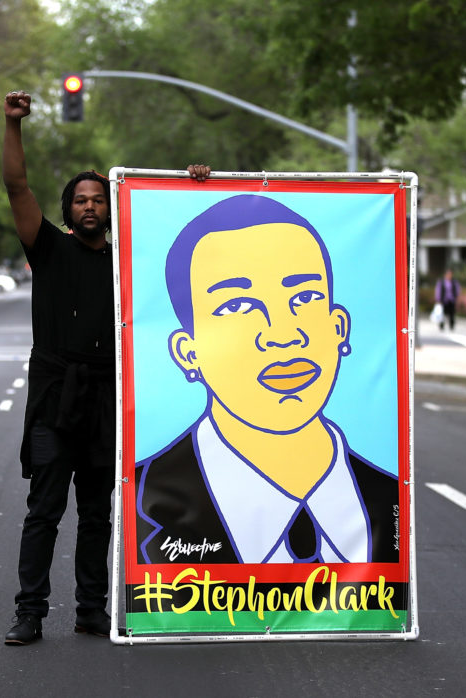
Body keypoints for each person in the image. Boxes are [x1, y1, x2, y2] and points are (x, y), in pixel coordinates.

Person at [0, 88, 207, 645]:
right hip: (52, 403)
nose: (90, 206)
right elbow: (17, 186)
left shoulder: (129, 262)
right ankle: (30, 612)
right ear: (68, 211)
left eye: (99, 200)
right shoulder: (47, 249)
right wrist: (13, 125)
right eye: (80, 200)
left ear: (111, 210)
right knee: (43, 510)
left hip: (104, 403)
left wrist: (195, 185)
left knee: (97, 514)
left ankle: (92, 609)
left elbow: (188, 238)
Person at [134, 194, 398, 566]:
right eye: (238, 306)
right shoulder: (146, 495)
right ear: (187, 351)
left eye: (305, 297)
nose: (283, 334)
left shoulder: (391, 499)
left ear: (339, 328)